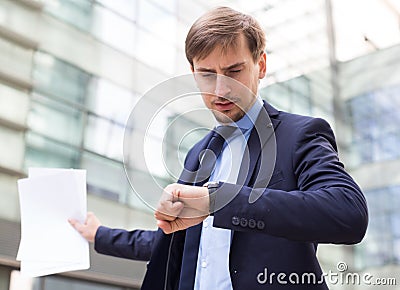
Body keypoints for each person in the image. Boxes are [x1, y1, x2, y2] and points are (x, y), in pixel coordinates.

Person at [69, 6, 368, 290]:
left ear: (260, 65)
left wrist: (218, 200)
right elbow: (180, 246)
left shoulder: (299, 134)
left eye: (234, 71)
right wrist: (100, 235)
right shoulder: (199, 153)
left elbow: (348, 212)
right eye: (207, 74)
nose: (220, 90)